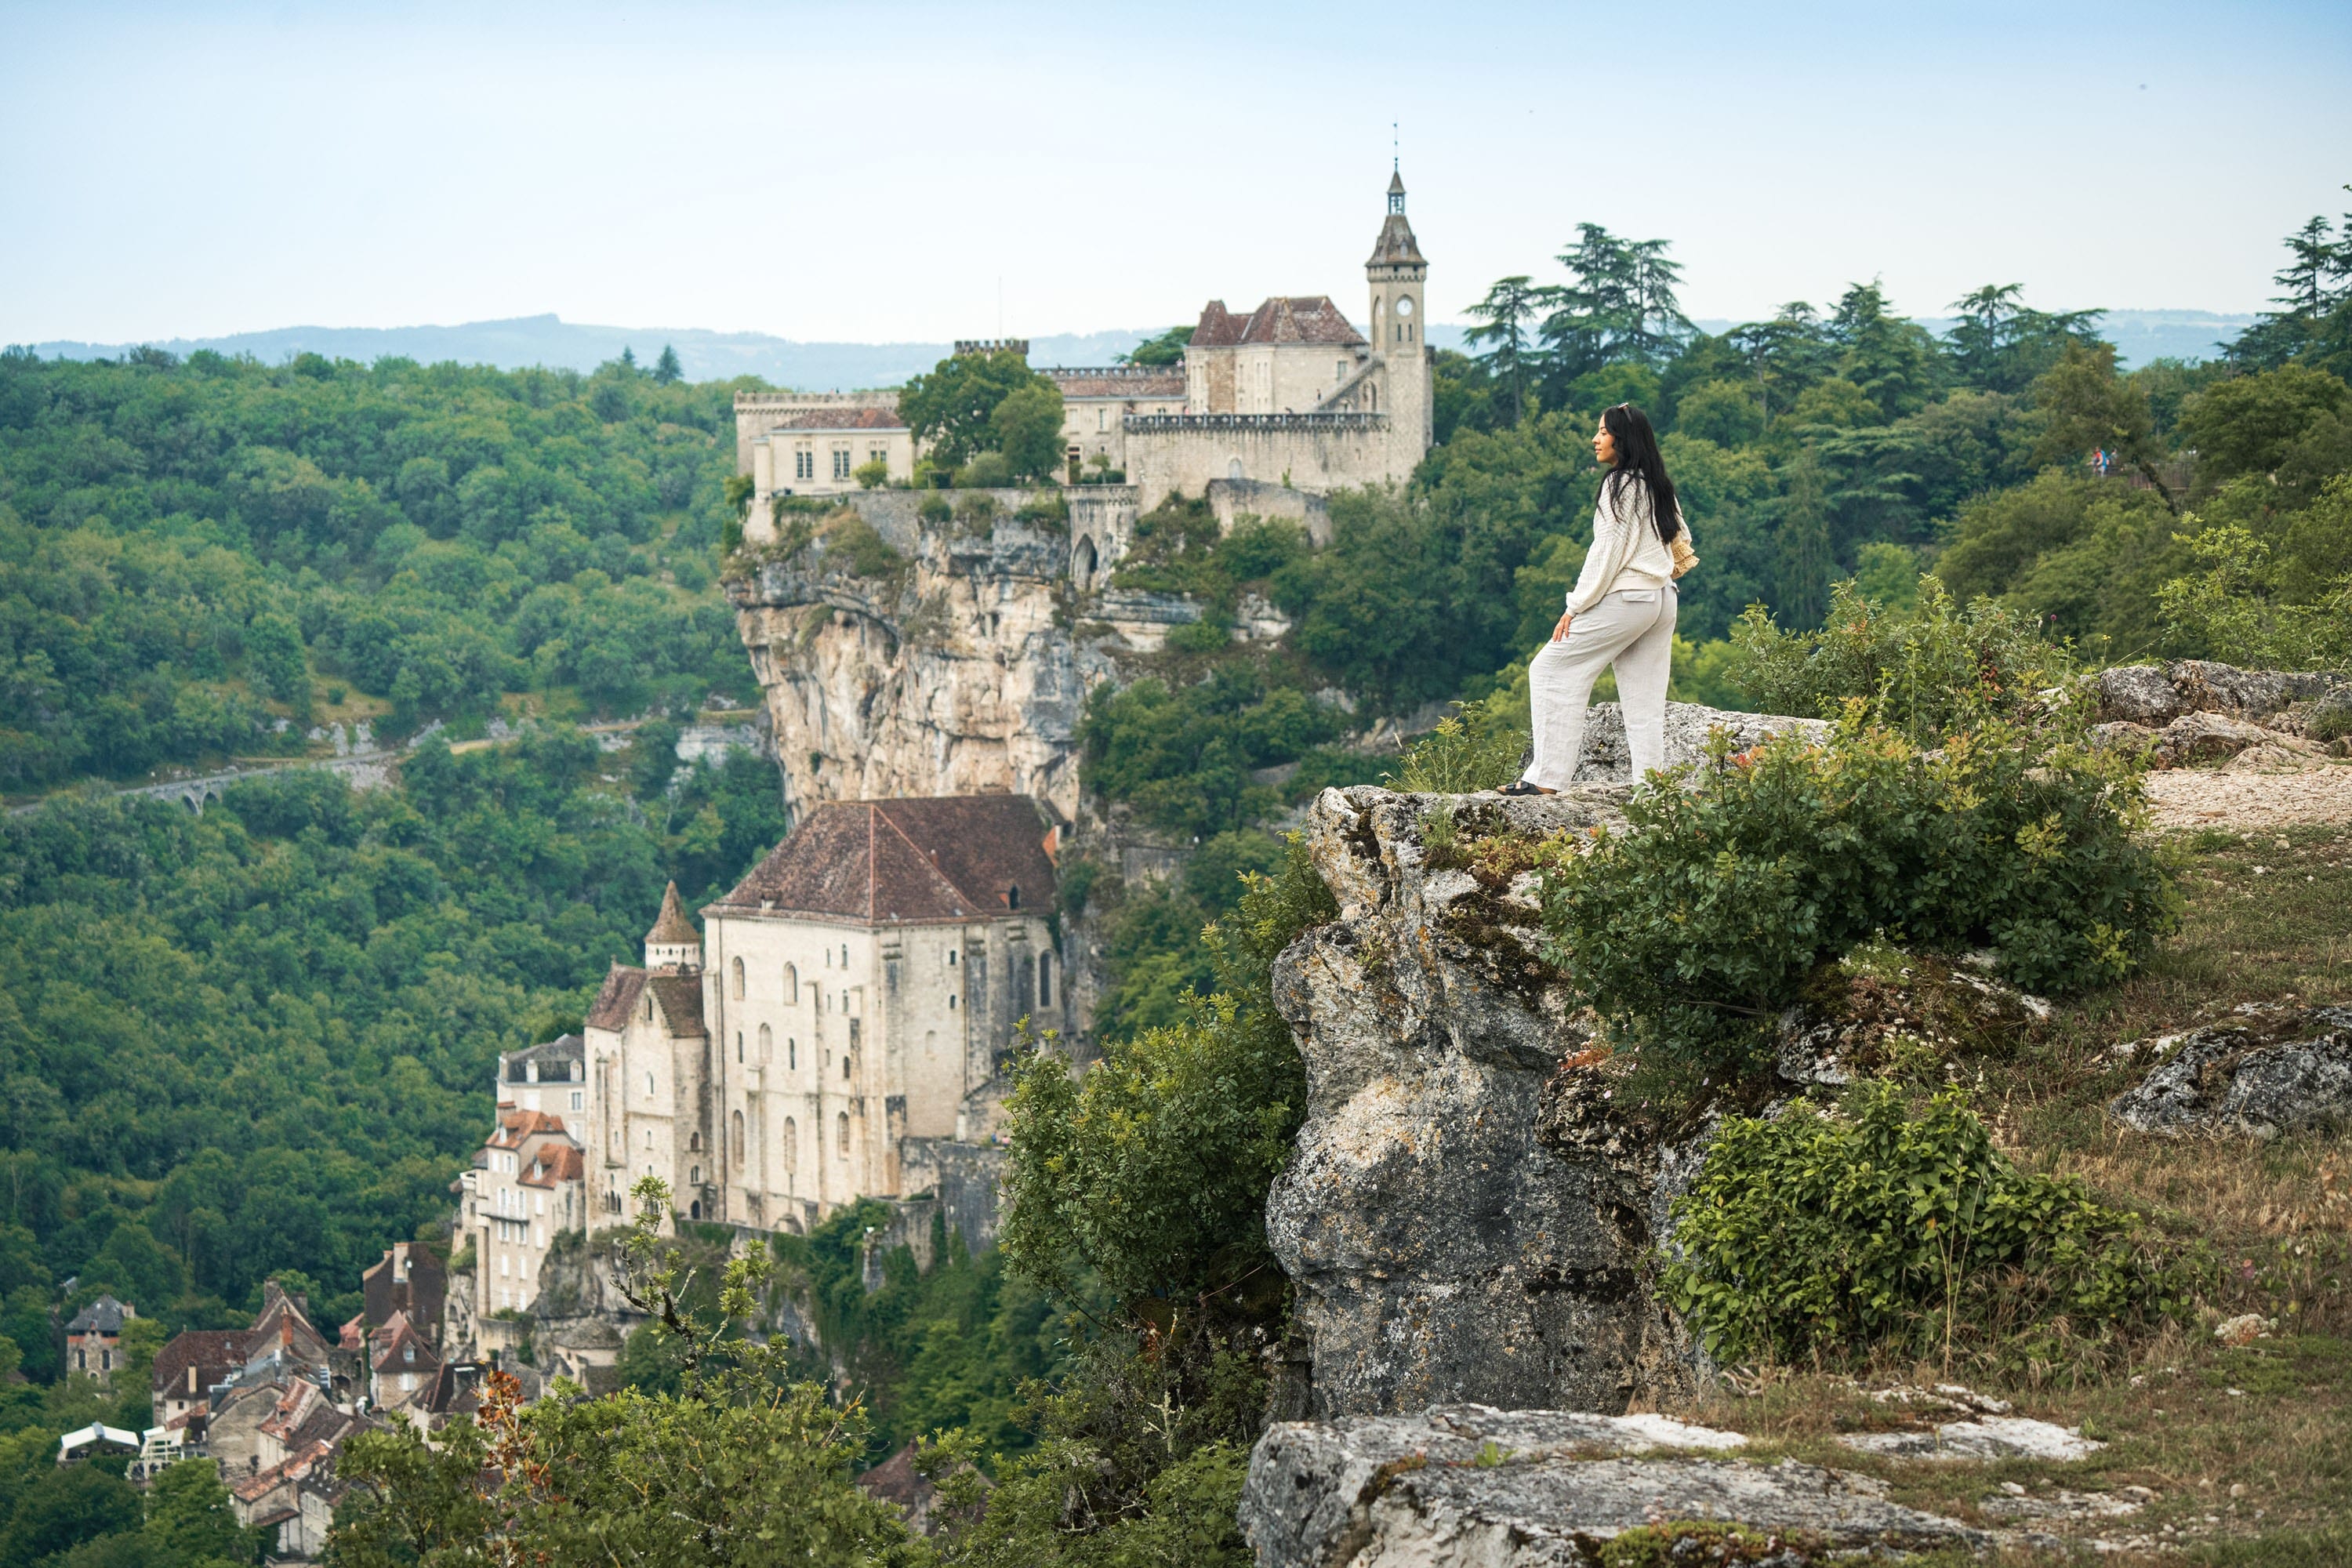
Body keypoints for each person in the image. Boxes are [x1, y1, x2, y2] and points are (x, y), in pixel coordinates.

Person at [1500, 402, 1687, 795]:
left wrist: (1575, 606)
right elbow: (1680, 538)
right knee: (1645, 701)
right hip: (1662, 598)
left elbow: (1607, 552)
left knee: (1550, 669)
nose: (1595, 439)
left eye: (1603, 432)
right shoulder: (1657, 483)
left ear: (1623, 439)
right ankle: (1651, 790)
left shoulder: (1618, 484)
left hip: (1630, 598)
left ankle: (1546, 779)